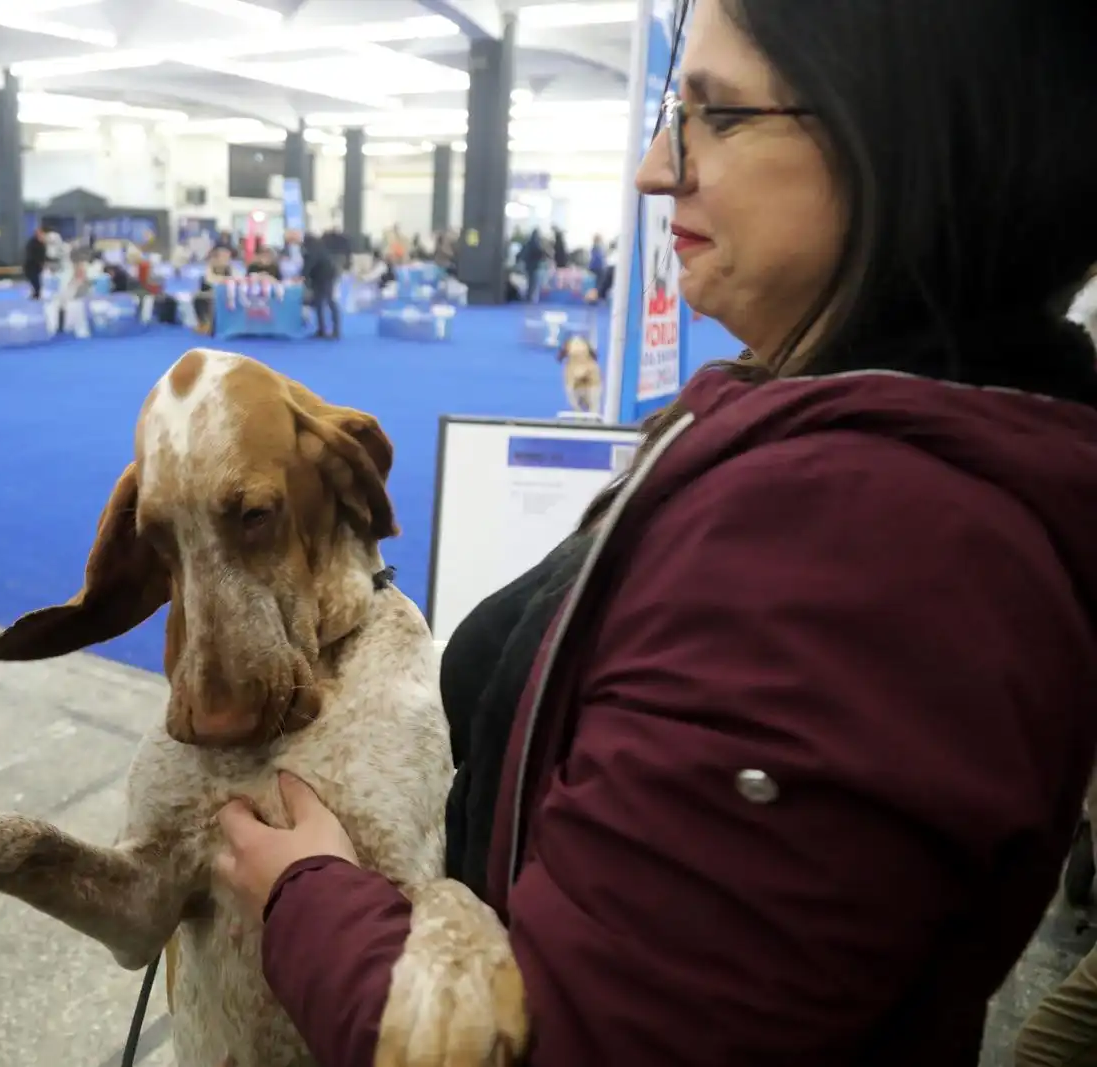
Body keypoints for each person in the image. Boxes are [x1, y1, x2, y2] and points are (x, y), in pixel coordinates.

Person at [213, 1, 1097, 1065]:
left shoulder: (848, 551)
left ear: (904, 137)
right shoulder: (858, 446)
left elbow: (567, 1045)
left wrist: (305, 899)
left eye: (715, 115)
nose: (651, 168)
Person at [302, 232, 340, 340]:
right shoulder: (321, 249)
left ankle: (328, 330)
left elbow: (309, 265)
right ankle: (330, 329)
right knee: (324, 303)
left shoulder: (312, 251)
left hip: (323, 278)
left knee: (328, 302)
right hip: (325, 277)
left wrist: (303, 276)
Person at [23, 223, 48, 298]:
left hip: (37, 264)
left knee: (36, 279)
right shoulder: (32, 242)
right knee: (33, 278)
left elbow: (42, 254)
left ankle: (37, 292)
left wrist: (42, 262)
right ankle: (36, 292)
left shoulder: (42, 243)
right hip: (31, 264)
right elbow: (30, 253)